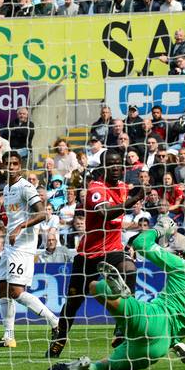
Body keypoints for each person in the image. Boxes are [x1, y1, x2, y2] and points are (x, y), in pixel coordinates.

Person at [50, 224, 185, 370]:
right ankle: (87, 366)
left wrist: (160, 229)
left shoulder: (183, 266)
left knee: (95, 286)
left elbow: (140, 243)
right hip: (161, 346)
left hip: (151, 318)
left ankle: (117, 294)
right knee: (108, 368)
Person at [48, 151, 144, 358]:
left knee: (130, 269)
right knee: (73, 302)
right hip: (89, 254)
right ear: (104, 167)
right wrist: (133, 200)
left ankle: (122, 326)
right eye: (111, 164)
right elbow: (105, 213)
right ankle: (59, 339)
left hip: (112, 250)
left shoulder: (121, 187)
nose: (116, 167)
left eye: (119, 163)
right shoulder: (96, 189)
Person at [0, 152, 58, 348]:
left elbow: (43, 213)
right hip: (10, 246)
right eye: (8, 164)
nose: (11, 167)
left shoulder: (26, 187)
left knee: (16, 291)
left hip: (24, 246)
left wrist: (20, 227)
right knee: (2, 287)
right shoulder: (7, 187)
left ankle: (56, 323)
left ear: (20, 166)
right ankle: (8, 337)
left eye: (15, 164)